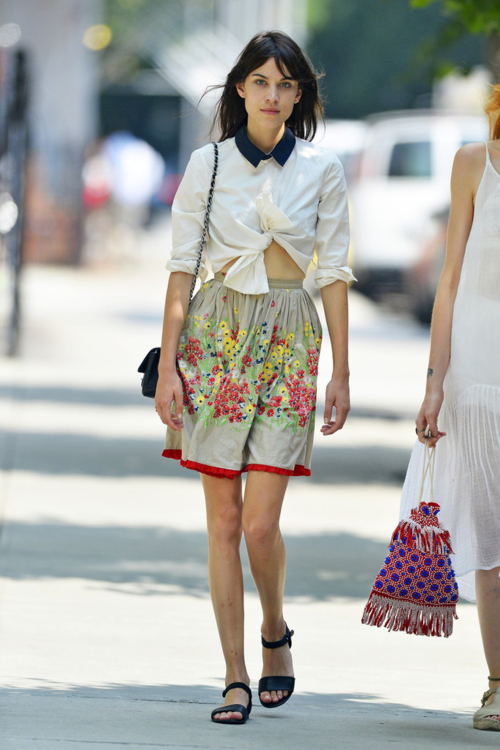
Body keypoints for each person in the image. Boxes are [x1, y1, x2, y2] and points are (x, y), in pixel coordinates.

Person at [155, 30, 354, 725]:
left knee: (262, 526)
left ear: (300, 95)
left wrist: (341, 371)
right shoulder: (207, 165)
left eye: (286, 85)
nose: (273, 95)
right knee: (225, 521)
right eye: (261, 82)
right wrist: (168, 366)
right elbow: (182, 269)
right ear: (240, 88)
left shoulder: (322, 171)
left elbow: (331, 273)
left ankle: (275, 628)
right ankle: (235, 675)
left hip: (292, 341)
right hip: (216, 340)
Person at [401, 85, 500, 731]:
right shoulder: (473, 162)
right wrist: (434, 380)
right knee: (492, 546)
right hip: (476, 374)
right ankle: (498, 686)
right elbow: (451, 278)